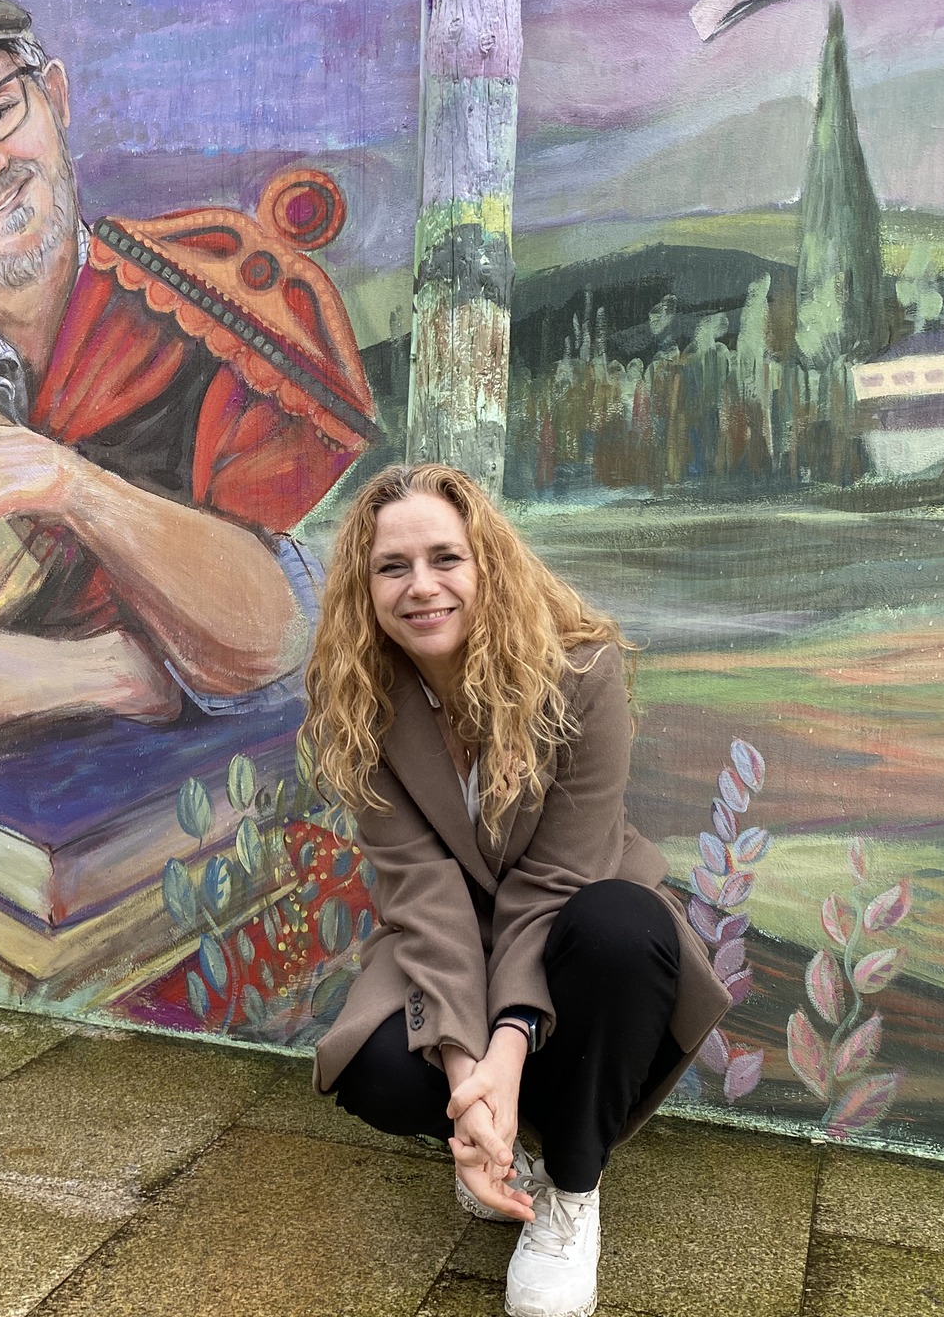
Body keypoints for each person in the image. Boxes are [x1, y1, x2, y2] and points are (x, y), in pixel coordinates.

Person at [0, 0, 375, 765]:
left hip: (222, 788)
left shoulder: (192, 303)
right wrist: (106, 675)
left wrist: (76, 490)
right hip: (16, 820)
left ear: (54, 97)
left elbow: (271, 635)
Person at [301, 463, 728, 1317]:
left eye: (444, 559)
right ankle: (501, 1143)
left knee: (621, 928)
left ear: (484, 562)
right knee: (376, 1067)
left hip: (576, 923)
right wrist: (470, 1084)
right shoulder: (359, 700)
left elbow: (556, 876)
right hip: (455, 933)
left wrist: (503, 1050)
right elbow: (422, 893)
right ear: (366, 585)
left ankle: (571, 1187)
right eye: (393, 567)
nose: (421, 587)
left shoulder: (580, 673)